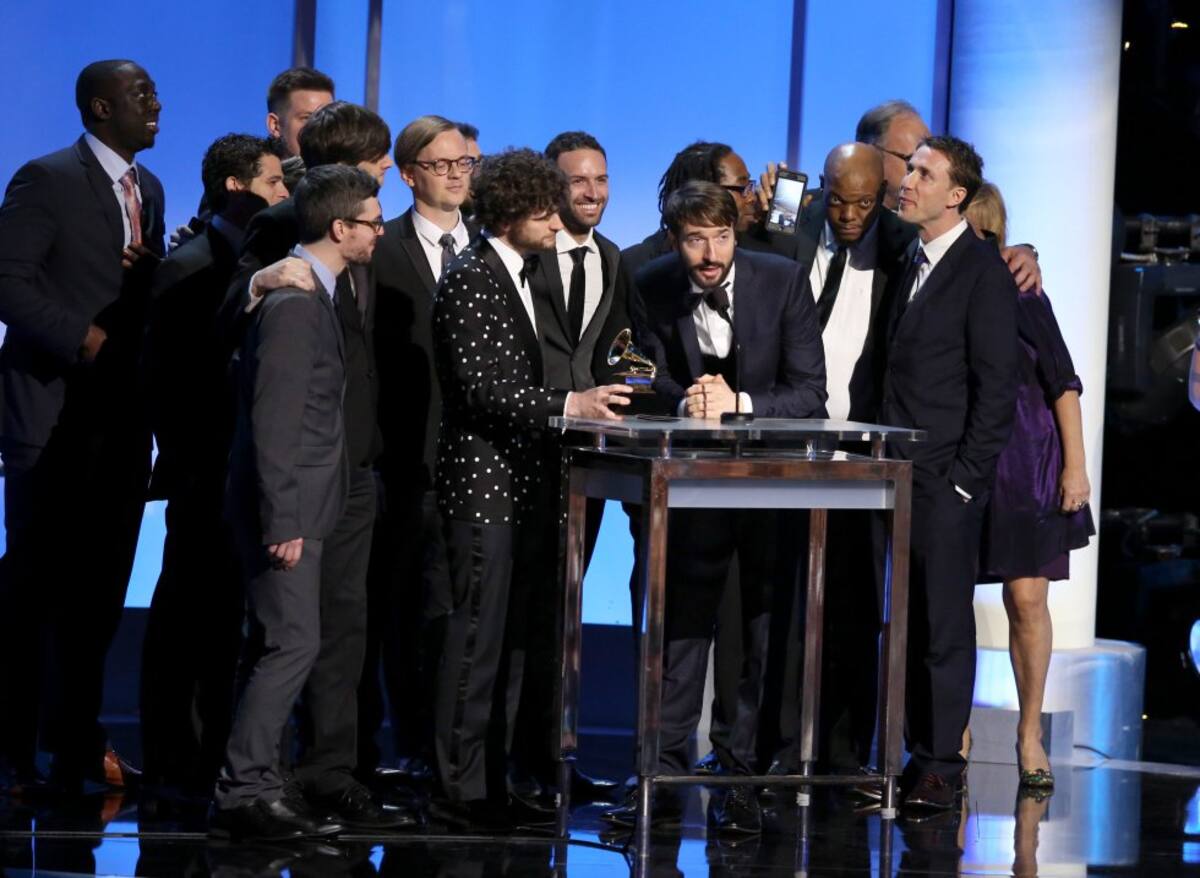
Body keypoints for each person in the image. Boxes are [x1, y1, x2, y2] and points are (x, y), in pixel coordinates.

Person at [604, 181, 827, 835]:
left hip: (769, 487)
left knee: (756, 633)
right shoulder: (650, 282)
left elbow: (810, 394)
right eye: (696, 239)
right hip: (689, 487)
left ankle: (740, 778)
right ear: (675, 240)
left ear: (736, 234)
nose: (710, 253)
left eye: (721, 237)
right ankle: (662, 778)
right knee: (676, 630)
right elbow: (638, 373)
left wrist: (740, 405)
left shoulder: (782, 280)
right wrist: (686, 400)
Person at [217, 101, 406, 830]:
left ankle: (261, 785)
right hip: (288, 506)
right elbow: (274, 422)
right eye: (372, 223)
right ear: (339, 228)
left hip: (322, 496)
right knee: (289, 643)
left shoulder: (319, 293)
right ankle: (245, 790)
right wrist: (285, 518)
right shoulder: (294, 301)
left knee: (297, 640)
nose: (381, 232)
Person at [430, 148, 631, 831]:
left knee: (509, 645)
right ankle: (458, 792)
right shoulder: (472, 277)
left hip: (517, 488)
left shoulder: (516, 272)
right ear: (511, 213)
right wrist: (571, 404)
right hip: (481, 489)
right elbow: (480, 388)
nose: (556, 221)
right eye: (544, 211)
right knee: (474, 645)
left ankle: (496, 779)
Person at [0, 59, 164, 794]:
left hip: (118, 425)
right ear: (101, 108)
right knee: (35, 593)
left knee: (99, 597)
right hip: (49, 421)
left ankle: (75, 747)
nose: (156, 103)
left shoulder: (148, 189)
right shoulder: (47, 178)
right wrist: (85, 338)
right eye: (141, 94)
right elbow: (7, 282)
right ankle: (12, 756)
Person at [140, 134, 287, 794]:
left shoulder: (249, 259)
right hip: (203, 468)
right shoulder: (192, 264)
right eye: (273, 182)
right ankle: (175, 758)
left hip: (236, 467)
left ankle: (210, 757)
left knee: (224, 616)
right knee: (187, 615)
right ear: (237, 187)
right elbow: (170, 379)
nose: (283, 193)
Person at [879, 136, 1018, 811]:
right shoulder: (910, 257)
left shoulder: (983, 272)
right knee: (906, 620)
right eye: (909, 169)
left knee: (942, 625)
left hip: (945, 481)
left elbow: (997, 389)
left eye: (923, 174)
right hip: (898, 474)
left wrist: (965, 482)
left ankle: (942, 762)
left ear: (956, 195)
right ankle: (914, 753)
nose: (907, 181)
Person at [505, 131, 634, 806]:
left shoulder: (613, 258)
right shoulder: (522, 256)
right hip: (521, 449)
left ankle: (553, 757)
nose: (592, 192)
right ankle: (505, 760)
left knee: (565, 607)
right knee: (517, 609)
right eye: (578, 180)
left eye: (601, 179)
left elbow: (615, 354)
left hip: (587, 460)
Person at [965, 182, 1095, 789]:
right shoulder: (938, 288)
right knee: (948, 602)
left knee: (1026, 600)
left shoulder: (1021, 289)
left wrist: (1076, 467)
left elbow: (1062, 382)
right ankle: (952, 729)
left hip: (1027, 461)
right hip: (965, 458)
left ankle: (1028, 731)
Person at [363, 115, 479, 782]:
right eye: (441, 165)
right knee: (408, 611)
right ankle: (411, 746)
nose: (457, 175)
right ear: (408, 175)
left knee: (465, 610)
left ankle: (459, 750)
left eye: (464, 163)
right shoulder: (383, 251)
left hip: (482, 461)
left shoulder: (490, 248)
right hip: (407, 460)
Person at [265, 66, 336, 161]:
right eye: (307, 118)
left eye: (327, 117)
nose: (320, 128)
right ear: (275, 126)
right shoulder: (253, 169)